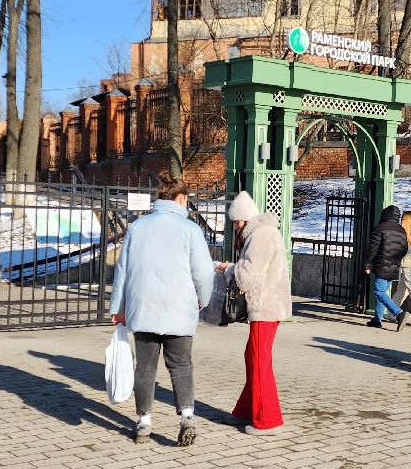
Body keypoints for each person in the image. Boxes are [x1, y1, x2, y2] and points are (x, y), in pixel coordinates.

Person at [109, 175, 214, 446]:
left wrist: (118, 308)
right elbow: (204, 271)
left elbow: (123, 270)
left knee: (145, 367)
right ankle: (187, 416)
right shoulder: (190, 229)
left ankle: (144, 422)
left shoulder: (137, 227)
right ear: (181, 198)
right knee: (180, 364)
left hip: (143, 306)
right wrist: (202, 299)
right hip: (179, 308)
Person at [217, 191, 290, 435]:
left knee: (259, 360)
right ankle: (246, 410)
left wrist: (229, 269)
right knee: (253, 356)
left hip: (265, 305)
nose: (236, 227)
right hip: (268, 304)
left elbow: (248, 276)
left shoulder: (260, 236)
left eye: (237, 222)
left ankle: (268, 419)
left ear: (246, 218)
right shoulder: (263, 233)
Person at [364, 204, 409, 330]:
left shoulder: (380, 228)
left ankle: (399, 313)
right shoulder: (402, 230)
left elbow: (373, 249)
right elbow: (404, 249)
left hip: (381, 265)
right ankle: (377, 320)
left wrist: (367, 263)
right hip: (394, 266)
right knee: (383, 293)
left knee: (379, 292)